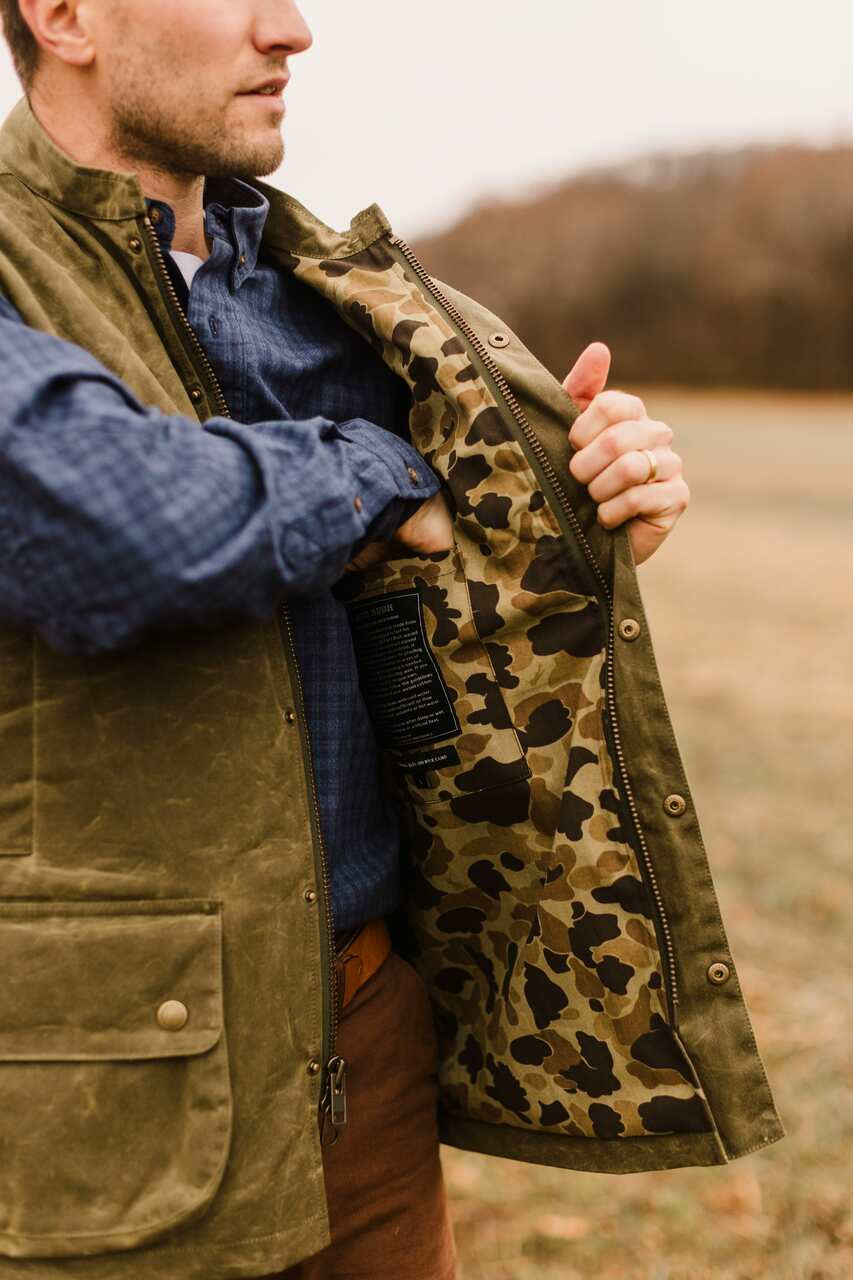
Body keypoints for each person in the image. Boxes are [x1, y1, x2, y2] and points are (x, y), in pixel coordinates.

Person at [0, 2, 783, 1279]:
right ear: (66, 14)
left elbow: (441, 577)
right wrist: (373, 472)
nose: (292, 28)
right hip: (92, 1088)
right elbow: (98, 518)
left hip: (364, 1041)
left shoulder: (331, 296)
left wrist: (583, 506)